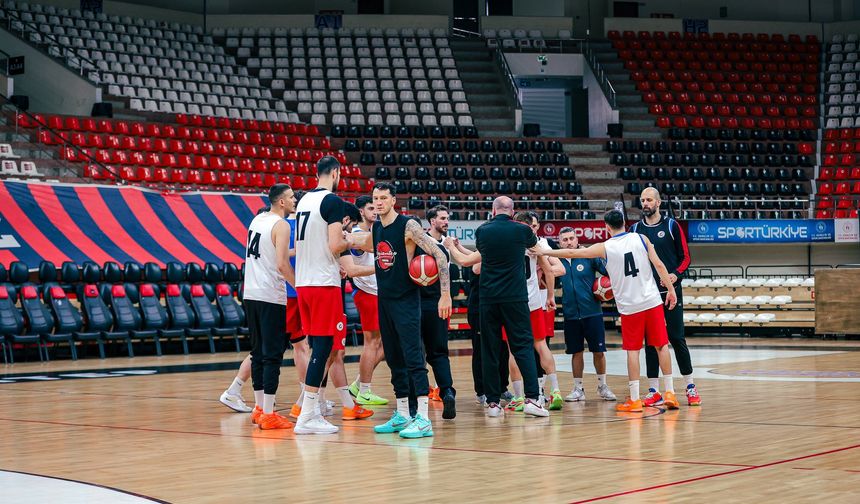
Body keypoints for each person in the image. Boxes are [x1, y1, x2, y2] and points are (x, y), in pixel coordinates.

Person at [537, 210, 680, 412]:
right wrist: (671, 290)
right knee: (661, 346)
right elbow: (658, 264)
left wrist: (545, 252)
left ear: (606, 227)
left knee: (633, 351)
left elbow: (571, 253)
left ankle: (635, 399)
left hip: (630, 306)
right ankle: (670, 393)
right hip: (652, 300)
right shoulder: (641, 237)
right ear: (625, 223)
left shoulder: (604, 247)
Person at [353, 182, 452, 439]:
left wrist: (445, 294)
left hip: (407, 301)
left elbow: (439, 255)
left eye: (383, 198)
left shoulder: (408, 225)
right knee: (395, 359)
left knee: (413, 359)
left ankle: (423, 418)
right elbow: (366, 248)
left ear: (393, 200)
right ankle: (402, 414)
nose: (378, 203)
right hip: (383, 300)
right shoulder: (376, 228)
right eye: (375, 198)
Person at [444, 196, 549, 418]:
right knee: (522, 347)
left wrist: (452, 248)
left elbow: (470, 261)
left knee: (490, 349)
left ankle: (492, 403)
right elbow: (536, 248)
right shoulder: (522, 230)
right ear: (512, 211)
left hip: (489, 298)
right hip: (516, 298)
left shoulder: (483, 231)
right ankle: (532, 399)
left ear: (493, 210)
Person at [293, 155, 355, 435]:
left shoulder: (304, 199)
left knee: (318, 346)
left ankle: (310, 410)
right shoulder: (332, 201)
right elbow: (334, 246)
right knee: (324, 348)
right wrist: (351, 240)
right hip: (322, 282)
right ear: (337, 173)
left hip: (304, 282)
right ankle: (308, 415)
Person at [631, 188, 701, 407]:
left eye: (649, 200)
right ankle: (654, 390)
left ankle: (690, 386)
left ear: (658, 202)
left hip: (671, 292)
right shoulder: (635, 229)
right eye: (642, 200)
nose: (645, 203)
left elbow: (686, 257)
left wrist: (675, 275)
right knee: (651, 342)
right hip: (648, 295)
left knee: (677, 338)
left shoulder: (671, 226)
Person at [244, 185, 296, 430]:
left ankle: (258, 408)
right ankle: (269, 413)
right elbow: (281, 264)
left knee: (257, 353)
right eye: (292, 197)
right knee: (273, 354)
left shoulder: (257, 219)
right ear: (282, 202)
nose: (295, 200)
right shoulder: (282, 225)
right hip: (270, 295)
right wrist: (301, 287)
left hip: (250, 292)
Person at [512, 211, 566, 411]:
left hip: (513, 301)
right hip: (534, 301)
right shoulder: (537, 244)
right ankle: (556, 390)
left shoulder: (510, 242)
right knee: (541, 344)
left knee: (513, 349)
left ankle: (518, 397)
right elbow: (552, 270)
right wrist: (551, 295)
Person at [555, 227, 616, 402]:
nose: (568, 242)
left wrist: (607, 290)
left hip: (593, 312)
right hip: (571, 314)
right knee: (576, 352)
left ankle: (602, 386)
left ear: (577, 239)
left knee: (598, 351)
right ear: (560, 242)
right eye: (565, 239)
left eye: (571, 238)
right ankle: (578, 388)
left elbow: (609, 272)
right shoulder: (557, 260)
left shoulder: (589, 255)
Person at [345, 195, 389, 406]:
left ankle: (358, 384)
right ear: (361, 211)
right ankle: (364, 391)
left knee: (387, 344)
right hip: (367, 293)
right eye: (371, 208)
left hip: (378, 292)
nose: (375, 210)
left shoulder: (373, 232)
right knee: (371, 343)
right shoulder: (357, 235)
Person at [416, 205, 456, 420]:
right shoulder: (423, 242)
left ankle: (420, 397)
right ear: (431, 221)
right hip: (432, 302)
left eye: (447, 218)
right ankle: (446, 390)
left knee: (420, 353)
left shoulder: (445, 245)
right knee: (438, 352)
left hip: (426, 303)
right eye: (442, 218)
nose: (446, 221)